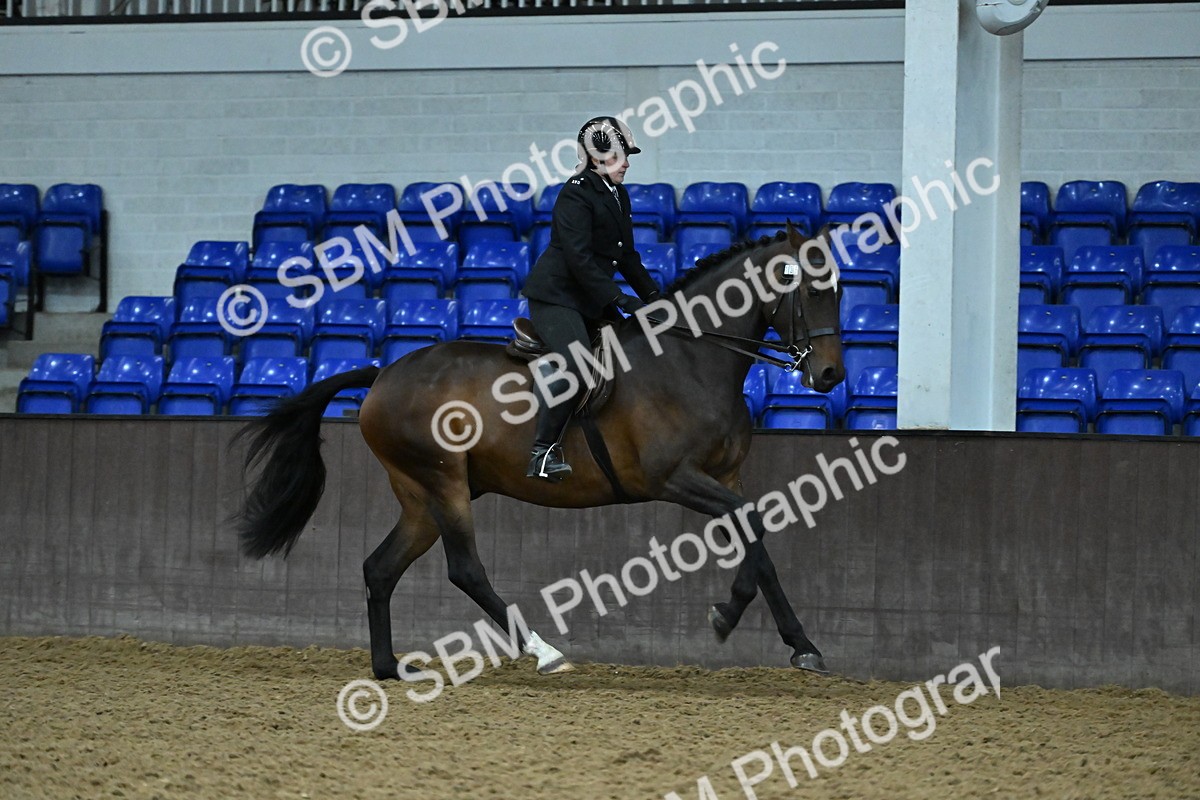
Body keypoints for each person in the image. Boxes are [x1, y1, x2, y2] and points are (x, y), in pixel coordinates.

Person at [520, 116, 662, 482]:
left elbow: (627, 256)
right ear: (597, 158)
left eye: (627, 156)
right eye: (619, 156)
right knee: (579, 363)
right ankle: (542, 451)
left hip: (589, 300)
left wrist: (654, 296)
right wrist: (621, 299)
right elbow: (578, 259)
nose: (627, 162)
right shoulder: (576, 193)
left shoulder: (618, 194)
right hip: (557, 297)